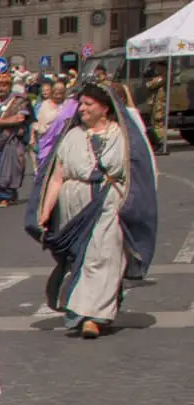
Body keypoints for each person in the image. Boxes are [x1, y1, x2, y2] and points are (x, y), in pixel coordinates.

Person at [27, 84, 158, 339]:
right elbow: (56, 178)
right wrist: (44, 212)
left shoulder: (122, 136)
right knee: (82, 258)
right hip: (74, 206)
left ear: (104, 108)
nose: (83, 109)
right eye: (82, 104)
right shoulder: (72, 136)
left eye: (89, 104)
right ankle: (86, 309)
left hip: (109, 202)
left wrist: (131, 205)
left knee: (105, 255)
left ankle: (93, 316)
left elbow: (139, 174)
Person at [0, 73, 32, 208]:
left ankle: (8, 194)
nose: (1, 88)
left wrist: (1, 122)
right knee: (0, 167)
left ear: (9, 86)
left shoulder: (19, 101)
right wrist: (8, 122)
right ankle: (4, 195)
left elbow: (20, 118)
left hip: (14, 140)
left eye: (4, 85)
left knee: (13, 167)